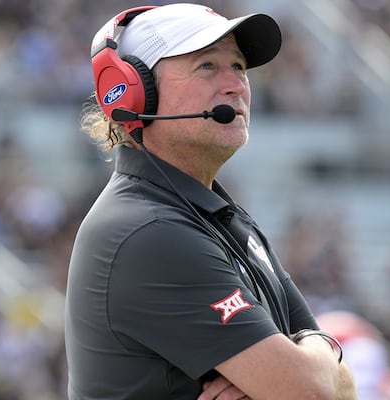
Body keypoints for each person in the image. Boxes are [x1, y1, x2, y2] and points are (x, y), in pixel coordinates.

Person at [64, 3, 357, 400]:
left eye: (238, 66)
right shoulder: (150, 232)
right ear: (134, 91)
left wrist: (310, 360)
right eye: (207, 66)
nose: (235, 84)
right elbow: (314, 390)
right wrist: (309, 362)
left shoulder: (219, 218)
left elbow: (340, 384)